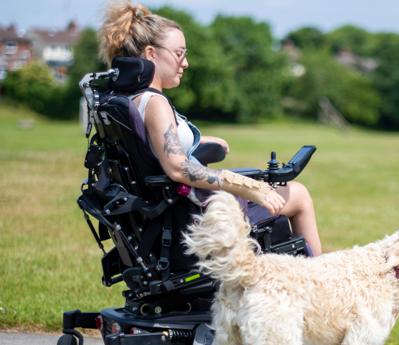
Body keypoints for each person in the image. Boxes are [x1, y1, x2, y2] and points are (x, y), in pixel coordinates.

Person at [97, 0, 322, 255]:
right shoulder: (155, 102)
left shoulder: (130, 101)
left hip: (167, 216)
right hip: (195, 220)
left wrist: (197, 140)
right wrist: (251, 187)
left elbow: (152, 146)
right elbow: (179, 168)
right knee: (299, 195)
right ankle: (318, 285)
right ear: (151, 53)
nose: (185, 63)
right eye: (179, 53)